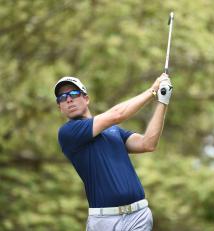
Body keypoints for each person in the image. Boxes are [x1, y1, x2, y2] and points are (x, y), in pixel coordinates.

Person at [54, 73, 172, 231]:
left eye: (74, 94)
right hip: (104, 221)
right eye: (62, 97)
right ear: (59, 106)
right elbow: (117, 114)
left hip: (139, 216)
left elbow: (148, 143)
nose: (68, 99)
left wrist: (162, 102)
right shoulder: (68, 132)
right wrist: (152, 91)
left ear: (86, 98)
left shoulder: (113, 130)